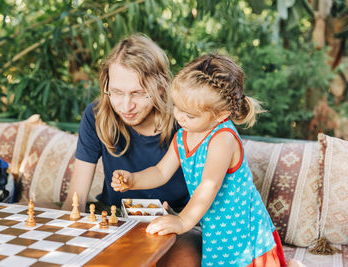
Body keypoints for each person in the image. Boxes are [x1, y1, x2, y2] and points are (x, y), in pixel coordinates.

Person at [112, 53, 304, 266]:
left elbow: (208, 186)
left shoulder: (222, 139)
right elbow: (160, 172)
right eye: (177, 107)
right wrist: (133, 180)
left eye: (190, 115)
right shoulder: (183, 135)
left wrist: (182, 221)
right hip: (216, 233)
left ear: (221, 115)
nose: (179, 117)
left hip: (244, 234)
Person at [62, 33, 202, 267]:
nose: (126, 106)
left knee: (181, 260)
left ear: (160, 86)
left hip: (177, 219)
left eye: (137, 93)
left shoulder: (185, 120)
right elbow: (75, 196)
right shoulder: (96, 115)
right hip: (114, 215)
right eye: (116, 92)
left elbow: (209, 192)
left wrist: (180, 219)